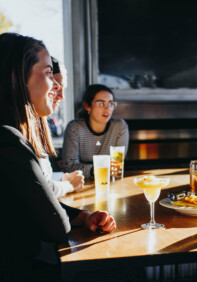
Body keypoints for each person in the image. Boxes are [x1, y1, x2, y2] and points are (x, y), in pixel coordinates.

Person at [0, 32, 116, 281]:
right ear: (15, 78)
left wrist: (83, 216)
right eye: (47, 72)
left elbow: (36, 203)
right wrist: (72, 217)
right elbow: (57, 226)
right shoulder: (8, 140)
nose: (55, 85)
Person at [37, 56, 84, 198]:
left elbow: (42, 180)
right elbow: (41, 189)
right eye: (55, 86)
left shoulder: (40, 124)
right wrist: (69, 185)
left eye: (63, 88)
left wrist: (63, 181)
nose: (61, 96)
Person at [62, 84, 129, 179]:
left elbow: (116, 168)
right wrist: (100, 169)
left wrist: (85, 166)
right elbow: (69, 167)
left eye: (110, 103)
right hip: (81, 184)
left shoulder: (119, 127)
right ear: (87, 106)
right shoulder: (75, 128)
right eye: (100, 103)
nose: (107, 109)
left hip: (110, 182)